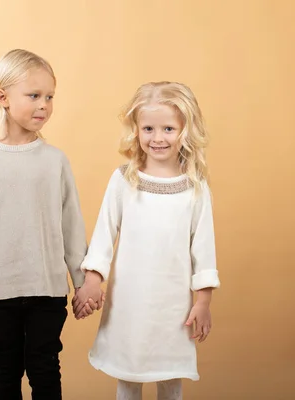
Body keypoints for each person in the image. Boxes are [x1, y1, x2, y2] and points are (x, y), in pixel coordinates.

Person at [0, 48, 101, 400]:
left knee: (45, 367)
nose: (44, 105)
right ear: (3, 97)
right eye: (34, 95)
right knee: (5, 367)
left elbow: (71, 227)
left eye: (49, 97)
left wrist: (81, 281)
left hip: (46, 290)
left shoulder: (54, 161)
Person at [73, 81, 221, 400]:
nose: (157, 138)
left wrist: (204, 301)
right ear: (136, 129)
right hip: (129, 302)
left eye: (168, 128)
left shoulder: (195, 187)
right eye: (148, 128)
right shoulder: (124, 180)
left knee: (169, 378)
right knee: (130, 376)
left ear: (186, 129)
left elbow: (203, 250)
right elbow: (103, 236)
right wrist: (92, 280)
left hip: (173, 306)